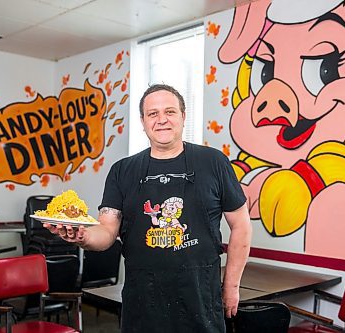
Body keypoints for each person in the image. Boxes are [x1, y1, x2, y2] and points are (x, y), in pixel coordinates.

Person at [45, 84, 252, 332]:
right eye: (152, 114)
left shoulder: (213, 162)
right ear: (142, 121)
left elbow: (240, 225)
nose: (162, 120)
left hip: (201, 299)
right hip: (142, 301)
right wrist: (83, 235)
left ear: (183, 116)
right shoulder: (123, 170)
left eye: (170, 112)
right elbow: (107, 230)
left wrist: (231, 286)